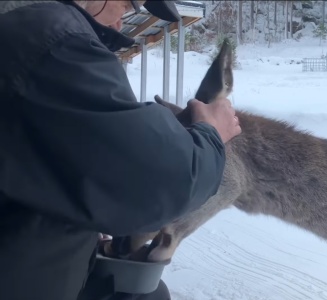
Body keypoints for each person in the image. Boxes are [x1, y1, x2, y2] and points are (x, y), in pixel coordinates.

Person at [0, 1, 241, 300]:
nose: (121, 23)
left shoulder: (34, 34)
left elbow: (52, 165)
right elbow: (155, 185)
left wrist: (86, 236)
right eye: (127, 5)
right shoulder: (57, 44)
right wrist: (212, 134)